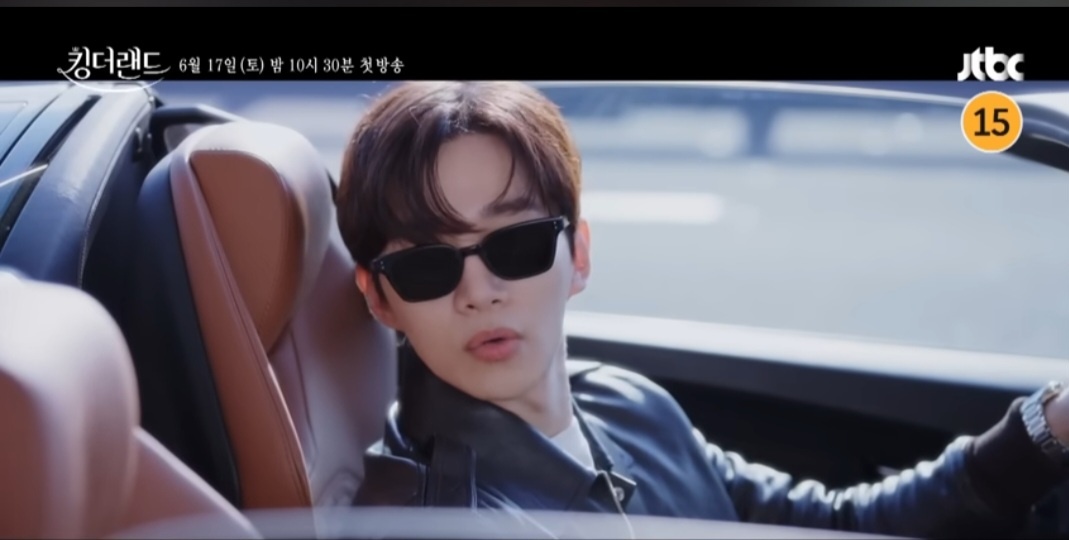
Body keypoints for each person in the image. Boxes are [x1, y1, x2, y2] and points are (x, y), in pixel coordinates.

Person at [334, 81, 1069, 538]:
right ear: (379, 297)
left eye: (516, 244)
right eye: (427, 265)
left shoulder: (625, 404)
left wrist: (1046, 428)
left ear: (578, 255)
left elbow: (836, 525)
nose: (480, 290)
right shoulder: (438, 520)